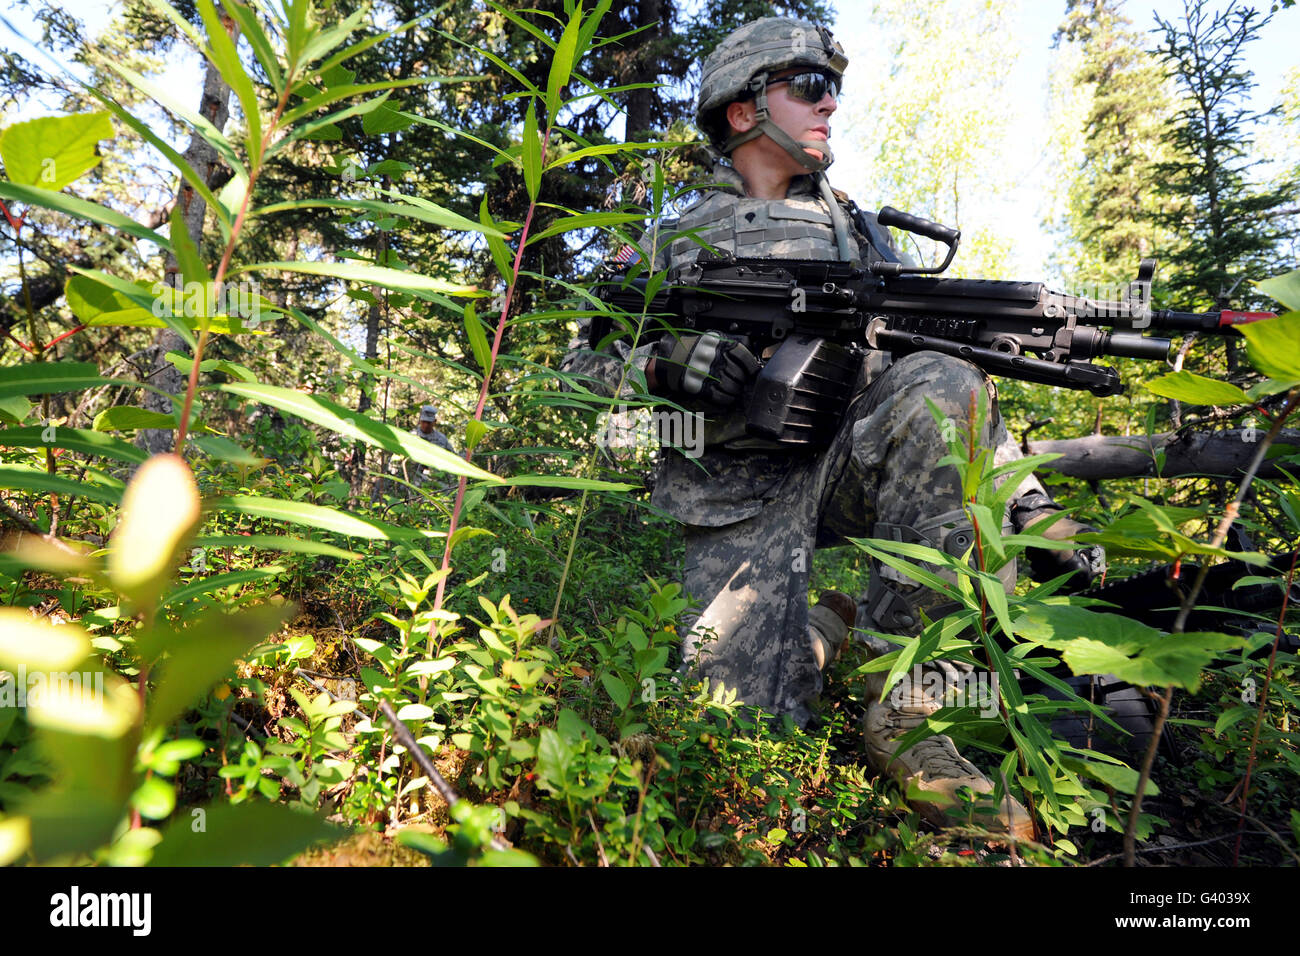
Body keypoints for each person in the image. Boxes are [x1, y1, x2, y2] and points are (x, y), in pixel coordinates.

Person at [562, 17, 1103, 840]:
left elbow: (943, 382)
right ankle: (825, 629)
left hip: (850, 465)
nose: (831, 107)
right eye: (810, 87)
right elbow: (575, 381)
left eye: (834, 90)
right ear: (743, 112)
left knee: (942, 377)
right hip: (732, 498)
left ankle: (912, 711)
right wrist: (659, 367)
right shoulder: (667, 243)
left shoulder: (866, 238)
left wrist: (1023, 498)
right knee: (734, 742)